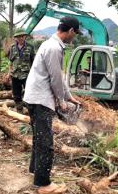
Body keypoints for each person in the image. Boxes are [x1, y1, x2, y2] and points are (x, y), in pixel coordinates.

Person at [23, 17, 82, 194]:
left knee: (39, 138)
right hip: (41, 99)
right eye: (76, 33)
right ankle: (43, 184)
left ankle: (35, 171)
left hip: (35, 97)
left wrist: (69, 97)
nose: (75, 37)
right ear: (71, 30)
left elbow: (59, 76)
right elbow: (55, 79)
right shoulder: (54, 48)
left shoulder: (51, 45)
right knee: (46, 142)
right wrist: (62, 103)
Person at [8, 29, 35, 112]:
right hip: (15, 74)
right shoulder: (12, 47)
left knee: (29, 93)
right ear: (16, 38)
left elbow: (34, 61)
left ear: (25, 37)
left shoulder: (30, 47)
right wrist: (9, 72)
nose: (20, 38)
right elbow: (10, 61)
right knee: (16, 94)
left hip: (26, 75)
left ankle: (31, 111)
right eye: (18, 37)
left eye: (22, 36)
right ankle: (19, 111)